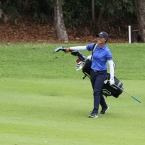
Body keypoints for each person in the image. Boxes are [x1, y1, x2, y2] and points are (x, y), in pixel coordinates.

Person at [65, 31, 115, 118]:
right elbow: (82, 47)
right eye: (98, 37)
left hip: (101, 73)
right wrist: (70, 48)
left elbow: (111, 64)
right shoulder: (94, 46)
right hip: (93, 72)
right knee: (97, 91)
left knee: (96, 91)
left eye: (101, 37)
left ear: (105, 39)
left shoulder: (107, 51)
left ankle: (95, 112)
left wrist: (112, 78)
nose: (98, 38)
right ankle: (104, 106)